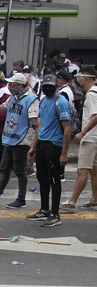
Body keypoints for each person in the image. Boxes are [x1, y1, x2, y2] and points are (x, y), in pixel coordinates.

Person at [0, 72, 37, 208]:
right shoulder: (14, 98)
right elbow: (2, 110)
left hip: (22, 139)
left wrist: (33, 144)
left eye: (13, 84)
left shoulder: (31, 99)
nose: (10, 86)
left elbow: (34, 122)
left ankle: (21, 199)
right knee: (4, 168)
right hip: (10, 137)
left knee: (20, 170)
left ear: (20, 85)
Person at [26, 74, 72, 227]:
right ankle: (44, 209)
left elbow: (67, 128)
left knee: (54, 179)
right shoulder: (44, 101)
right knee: (42, 177)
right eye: (45, 87)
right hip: (43, 143)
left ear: (56, 87)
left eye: (50, 87)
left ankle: (55, 214)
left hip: (54, 144)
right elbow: (41, 126)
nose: (47, 89)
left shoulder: (61, 101)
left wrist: (64, 152)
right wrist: (33, 146)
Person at [63, 65, 97, 209]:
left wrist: (83, 133)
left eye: (80, 78)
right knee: (94, 170)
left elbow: (95, 116)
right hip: (94, 137)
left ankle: (72, 201)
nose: (79, 81)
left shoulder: (91, 94)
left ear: (85, 78)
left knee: (82, 170)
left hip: (90, 138)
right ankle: (94, 199)